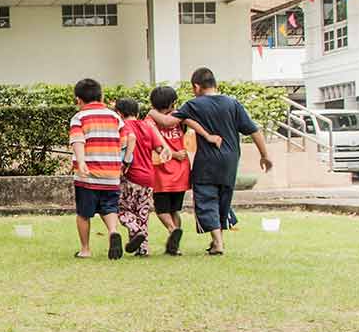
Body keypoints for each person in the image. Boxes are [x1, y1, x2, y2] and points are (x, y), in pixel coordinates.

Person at [156, 67, 272, 255]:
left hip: (207, 162)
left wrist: (151, 114)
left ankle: (218, 243)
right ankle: (217, 240)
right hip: (230, 160)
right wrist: (264, 155)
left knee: (207, 200)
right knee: (222, 201)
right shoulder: (233, 103)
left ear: (196, 86)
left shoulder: (194, 105)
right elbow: (253, 130)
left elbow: (167, 122)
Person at [69, 79, 130, 260]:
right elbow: (126, 139)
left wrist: (81, 163)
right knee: (109, 207)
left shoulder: (79, 118)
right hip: (111, 174)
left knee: (83, 213)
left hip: (88, 176)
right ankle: (112, 232)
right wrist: (123, 161)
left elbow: (78, 141)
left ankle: (85, 249)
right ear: (101, 96)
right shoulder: (114, 117)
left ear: (78, 100)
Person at [147, 85, 193, 256]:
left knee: (161, 209)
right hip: (181, 171)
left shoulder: (150, 120)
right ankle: (175, 245)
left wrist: (171, 154)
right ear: (172, 103)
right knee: (174, 210)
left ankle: (172, 230)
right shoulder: (178, 118)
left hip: (162, 172)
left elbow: (152, 143)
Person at [116, 98, 164, 257]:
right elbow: (159, 149)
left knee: (122, 209)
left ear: (119, 113)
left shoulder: (122, 127)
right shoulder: (147, 126)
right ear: (137, 112)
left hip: (130, 175)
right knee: (142, 213)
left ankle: (136, 231)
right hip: (149, 177)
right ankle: (142, 249)